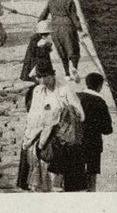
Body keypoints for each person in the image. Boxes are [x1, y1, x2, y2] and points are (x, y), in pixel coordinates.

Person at [18, 64, 85, 192]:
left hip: (59, 134)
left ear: (51, 75)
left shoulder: (65, 90)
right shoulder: (38, 90)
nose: (42, 80)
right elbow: (33, 114)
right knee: (29, 152)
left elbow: (80, 114)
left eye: (44, 77)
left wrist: (62, 114)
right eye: (39, 77)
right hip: (39, 131)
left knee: (56, 159)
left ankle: (58, 184)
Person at [38, 0, 85, 81]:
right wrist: (80, 30)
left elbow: (43, 16)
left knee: (61, 50)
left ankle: (67, 74)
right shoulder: (69, 1)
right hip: (68, 28)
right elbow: (74, 17)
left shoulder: (51, 1)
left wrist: (40, 23)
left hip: (55, 29)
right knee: (73, 49)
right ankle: (74, 68)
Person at [78, 72, 113, 191]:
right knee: (92, 172)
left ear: (86, 83)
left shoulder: (76, 96)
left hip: (76, 140)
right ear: (100, 86)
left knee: (77, 169)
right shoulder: (100, 102)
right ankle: (91, 192)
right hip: (93, 143)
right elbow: (107, 129)